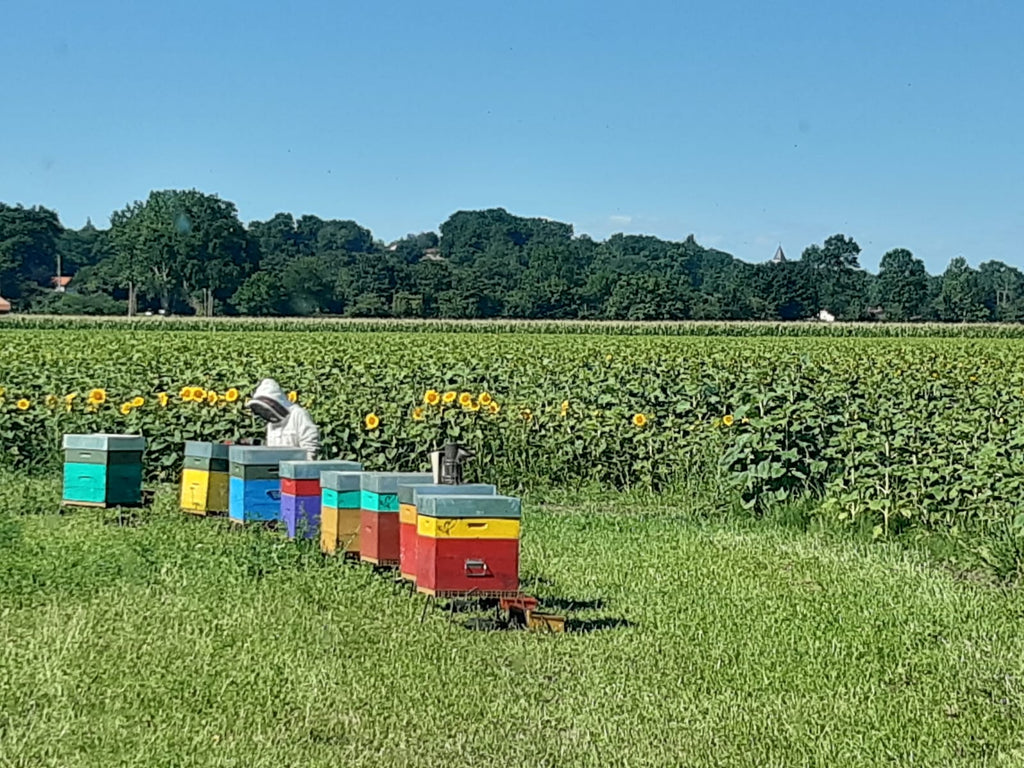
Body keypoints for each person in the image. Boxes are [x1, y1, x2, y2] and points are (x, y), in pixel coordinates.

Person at [244, 378, 320, 460]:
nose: (267, 413)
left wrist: (304, 466)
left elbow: (310, 446)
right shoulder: (271, 423)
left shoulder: (298, 414)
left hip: (297, 468)